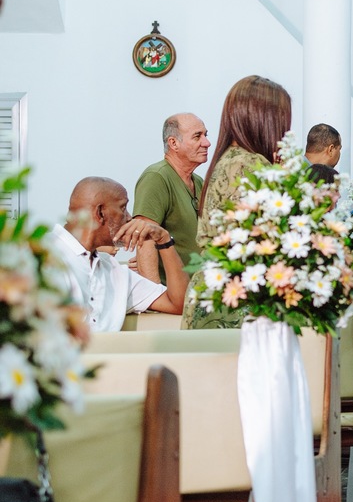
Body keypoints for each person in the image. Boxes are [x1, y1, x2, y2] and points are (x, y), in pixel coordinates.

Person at [186, 75, 292, 328]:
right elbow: (276, 235)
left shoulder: (227, 159)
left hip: (212, 289)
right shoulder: (251, 164)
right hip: (240, 298)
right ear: (264, 120)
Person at [45, 177, 189, 332]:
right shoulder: (41, 257)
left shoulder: (115, 272)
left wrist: (164, 240)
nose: (129, 218)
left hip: (111, 356)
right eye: (123, 208)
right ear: (100, 213)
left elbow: (180, 303)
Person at [132, 113, 211, 280]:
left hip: (197, 292)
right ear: (173, 143)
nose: (207, 143)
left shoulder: (198, 182)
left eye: (205, 135)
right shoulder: (156, 177)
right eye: (197, 137)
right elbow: (145, 238)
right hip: (172, 296)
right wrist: (156, 297)